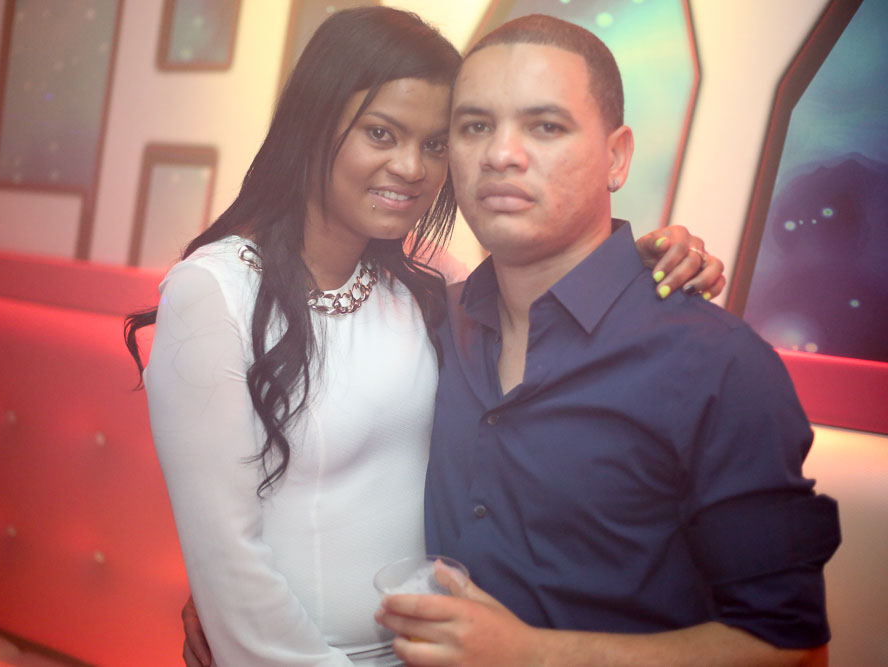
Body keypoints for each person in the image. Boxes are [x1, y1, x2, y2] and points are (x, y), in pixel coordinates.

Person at [131, 7, 723, 666]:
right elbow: (229, 562)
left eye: (436, 144)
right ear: (313, 125)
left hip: (437, 652)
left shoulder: (429, 280)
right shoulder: (214, 292)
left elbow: (551, 295)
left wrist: (649, 256)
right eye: (381, 133)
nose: (412, 167)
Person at [374, 15, 841, 667]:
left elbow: (790, 646)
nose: (501, 154)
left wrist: (530, 653)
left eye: (546, 126)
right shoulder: (431, 322)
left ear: (616, 158)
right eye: (475, 126)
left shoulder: (713, 363)